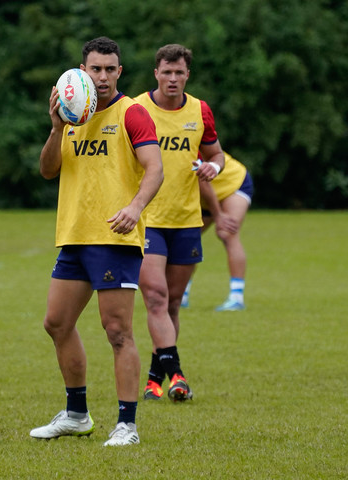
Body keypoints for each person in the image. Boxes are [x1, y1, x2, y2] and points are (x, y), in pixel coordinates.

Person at [30, 37, 164, 446]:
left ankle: (127, 425)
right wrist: (57, 129)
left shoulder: (133, 113)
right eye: (95, 68)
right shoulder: (72, 114)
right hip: (74, 237)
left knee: (118, 331)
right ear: (83, 70)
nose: (102, 76)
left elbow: (155, 168)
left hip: (115, 238)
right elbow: (48, 170)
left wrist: (135, 208)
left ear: (119, 72)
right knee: (56, 323)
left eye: (109, 69)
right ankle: (76, 414)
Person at [134, 44, 225, 402]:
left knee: (171, 304)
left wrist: (212, 167)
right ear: (155, 73)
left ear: (188, 75)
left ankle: (155, 379)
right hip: (147, 219)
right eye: (166, 72)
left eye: (179, 73)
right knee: (155, 297)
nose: (173, 78)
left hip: (186, 219)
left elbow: (215, 152)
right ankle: (177, 374)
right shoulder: (137, 109)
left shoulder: (199, 110)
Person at [182, 151, 254, 311]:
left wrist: (218, 215)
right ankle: (181, 294)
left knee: (227, 233)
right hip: (202, 195)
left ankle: (236, 297)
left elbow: (203, 182)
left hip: (232, 185)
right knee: (186, 238)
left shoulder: (188, 142)